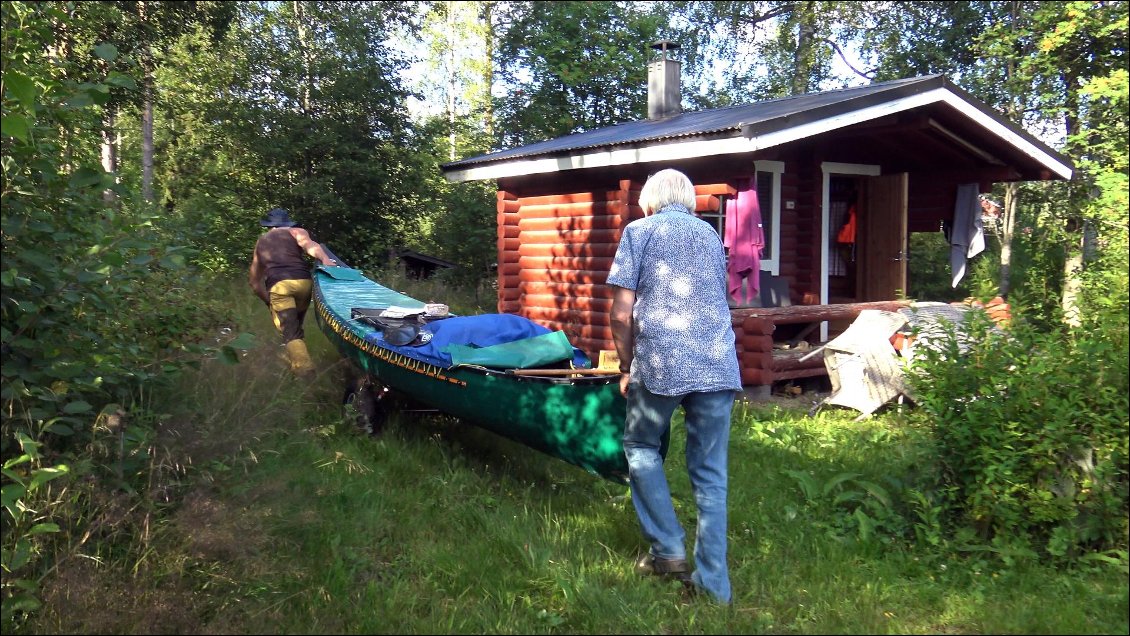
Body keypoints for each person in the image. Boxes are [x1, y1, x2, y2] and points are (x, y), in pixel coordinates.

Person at [606, 169, 742, 604]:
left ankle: (666, 548)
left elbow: (621, 314)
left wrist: (626, 365)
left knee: (641, 446)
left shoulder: (639, 231)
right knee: (711, 475)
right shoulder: (709, 235)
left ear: (650, 198)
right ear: (686, 198)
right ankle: (715, 588)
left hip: (662, 362)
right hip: (718, 363)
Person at [248, 207, 337, 376]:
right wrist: (325, 259)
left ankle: (306, 373)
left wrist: (268, 302)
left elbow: (254, 282)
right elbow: (311, 246)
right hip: (304, 284)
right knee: (295, 328)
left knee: (290, 332)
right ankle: (292, 364)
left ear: (270, 226)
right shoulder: (297, 232)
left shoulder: (262, 242)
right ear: (286, 223)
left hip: (279, 287)